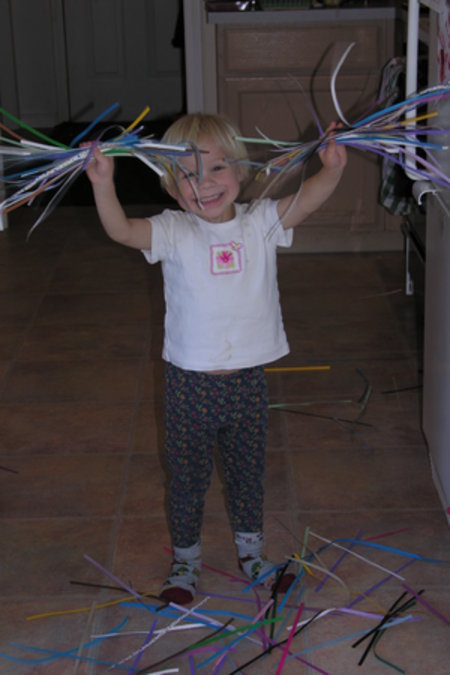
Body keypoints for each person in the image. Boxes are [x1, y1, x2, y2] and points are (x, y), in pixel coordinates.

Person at [85, 113, 347, 605]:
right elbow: (121, 231)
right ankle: (185, 562)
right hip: (190, 387)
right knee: (187, 482)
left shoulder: (261, 222)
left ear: (240, 171)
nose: (202, 183)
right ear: (171, 185)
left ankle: (253, 556)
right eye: (186, 174)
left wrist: (331, 169)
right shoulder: (173, 230)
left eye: (216, 168)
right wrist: (103, 185)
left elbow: (308, 200)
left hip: (248, 382)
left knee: (247, 476)